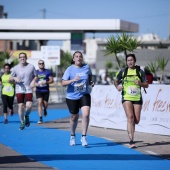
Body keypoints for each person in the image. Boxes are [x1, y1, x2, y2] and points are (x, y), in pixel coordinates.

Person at [114, 54, 148, 148]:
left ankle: (131, 133)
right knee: (130, 117)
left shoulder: (140, 71)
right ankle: (131, 140)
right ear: (126, 62)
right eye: (128, 60)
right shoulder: (123, 71)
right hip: (126, 97)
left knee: (136, 120)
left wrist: (140, 83)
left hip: (137, 98)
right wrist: (117, 86)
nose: (130, 62)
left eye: (131, 60)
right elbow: (115, 80)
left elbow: (146, 85)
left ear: (135, 61)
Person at [62, 51, 94, 146]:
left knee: (86, 114)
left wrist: (90, 81)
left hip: (84, 94)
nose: (79, 58)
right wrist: (73, 80)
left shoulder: (86, 67)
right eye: (76, 56)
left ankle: (84, 137)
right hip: (72, 96)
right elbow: (63, 83)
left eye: (80, 56)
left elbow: (90, 75)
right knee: (73, 117)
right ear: (73, 59)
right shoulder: (69, 69)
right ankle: (72, 135)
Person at [10, 52, 37, 130]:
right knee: (20, 106)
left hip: (28, 88)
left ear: (26, 58)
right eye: (21, 57)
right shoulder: (15, 68)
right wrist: (15, 78)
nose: (22, 58)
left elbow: (36, 76)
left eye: (24, 57)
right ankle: (22, 122)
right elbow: (10, 78)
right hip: (19, 89)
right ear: (19, 58)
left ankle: (27, 115)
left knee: (29, 106)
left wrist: (33, 81)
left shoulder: (31, 66)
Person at [34, 60, 54, 124]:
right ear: (38, 64)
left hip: (46, 90)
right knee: (39, 103)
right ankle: (40, 118)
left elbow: (51, 80)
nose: (41, 64)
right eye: (40, 63)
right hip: (38, 90)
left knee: (45, 104)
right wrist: (35, 84)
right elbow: (33, 81)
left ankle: (45, 109)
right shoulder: (36, 72)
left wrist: (46, 82)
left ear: (44, 64)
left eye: (42, 63)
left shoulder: (48, 72)